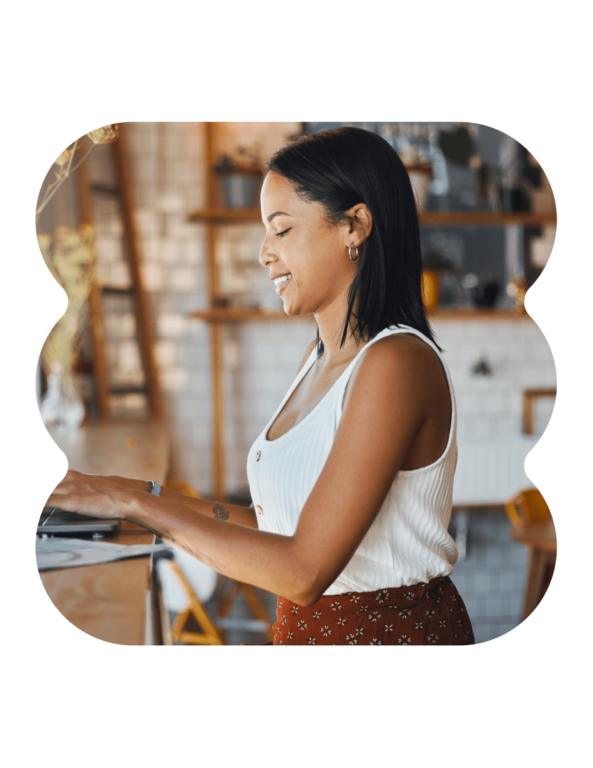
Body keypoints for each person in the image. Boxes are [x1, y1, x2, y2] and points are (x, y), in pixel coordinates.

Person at [47, 127, 474, 646]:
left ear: (355, 227)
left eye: (282, 229)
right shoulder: (319, 358)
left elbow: (303, 571)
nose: (264, 253)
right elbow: (274, 526)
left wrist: (136, 507)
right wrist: (134, 492)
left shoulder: (396, 363)